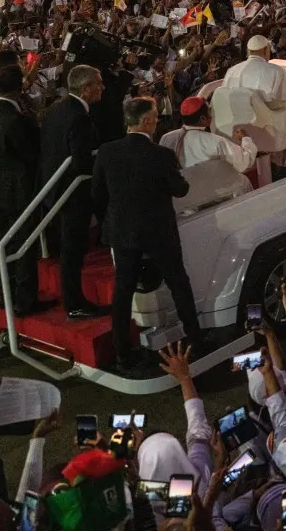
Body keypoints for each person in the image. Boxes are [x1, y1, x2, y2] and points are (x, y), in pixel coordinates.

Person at [92, 98, 202, 372]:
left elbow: (97, 194)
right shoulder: (160, 155)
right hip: (158, 231)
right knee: (178, 282)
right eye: (155, 116)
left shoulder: (106, 152)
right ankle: (195, 339)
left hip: (123, 231)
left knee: (123, 290)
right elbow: (180, 190)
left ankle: (122, 353)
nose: (158, 119)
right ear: (146, 122)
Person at [38, 64, 107, 319]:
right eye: (99, 83)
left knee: (70, 249)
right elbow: (81, 162)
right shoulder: (79, 117)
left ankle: (74, 301)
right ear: (86, 89)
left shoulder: (56, 108)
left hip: (56, 190)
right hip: (71, 193)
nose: (103, 87)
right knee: (72, 250)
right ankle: (75, 304)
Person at [0, 65, 49, 316]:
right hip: (18, 195)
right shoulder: (16, 121)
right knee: (22, 246)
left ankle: (4, 295)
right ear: (20, 87)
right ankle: (25, 301)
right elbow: (32, 155)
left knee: (4, 245)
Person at [159, 96, 258, 172]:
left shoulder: (166, 138)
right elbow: (245, 161)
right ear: (203, 118)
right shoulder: (216, 142)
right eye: (209, 111)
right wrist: (245, 138)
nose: (212, 114)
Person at [222, 35, 286, 109]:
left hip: (235, 117)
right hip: (266, 120)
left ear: (248, 51)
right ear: (265, 50)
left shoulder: (231, 71)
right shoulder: (276, 71)